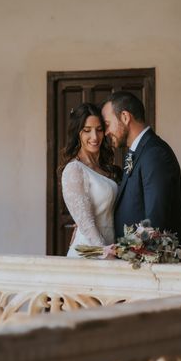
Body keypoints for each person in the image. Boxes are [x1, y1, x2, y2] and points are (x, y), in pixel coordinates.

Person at [101, 92, 181, 243]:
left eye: (108, 124)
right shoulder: (138, 152)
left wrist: (127, 249)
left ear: (125, 117)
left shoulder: (154, 154)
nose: (106, 132)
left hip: (150, 261)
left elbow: (155, 220)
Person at [60, 103, 121, 257]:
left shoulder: (106, 169)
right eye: (87, 130)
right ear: (77, 133)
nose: (95, 137)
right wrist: (104, 251)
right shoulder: (74, 169)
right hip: (90, 252)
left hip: (111, 247)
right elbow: (86, 223)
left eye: (99, 130)